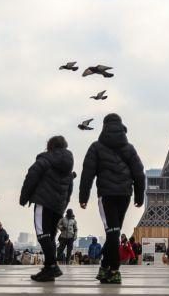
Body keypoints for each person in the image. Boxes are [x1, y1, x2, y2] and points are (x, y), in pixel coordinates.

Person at [79, 113, 146, 286]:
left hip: (107, 195)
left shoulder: (96, 147)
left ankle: (113, 270)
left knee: (113, 232)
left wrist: (83, 196)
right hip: (124, 195)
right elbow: (139, 174)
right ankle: (105, 267)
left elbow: (88, 174)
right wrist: (139, 195)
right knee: (114, 232)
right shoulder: (129, 148)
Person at [20, 135, 75, 282]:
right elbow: (69, 189)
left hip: (43, 202)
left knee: (41, 233)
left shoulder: (45, 159)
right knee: (50, 236)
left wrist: (23, 198)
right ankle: (48, 268)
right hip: (58, 206)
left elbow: (31, 176)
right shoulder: (68, 165)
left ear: (50, 146)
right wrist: (63, 206)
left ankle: (52, 266)